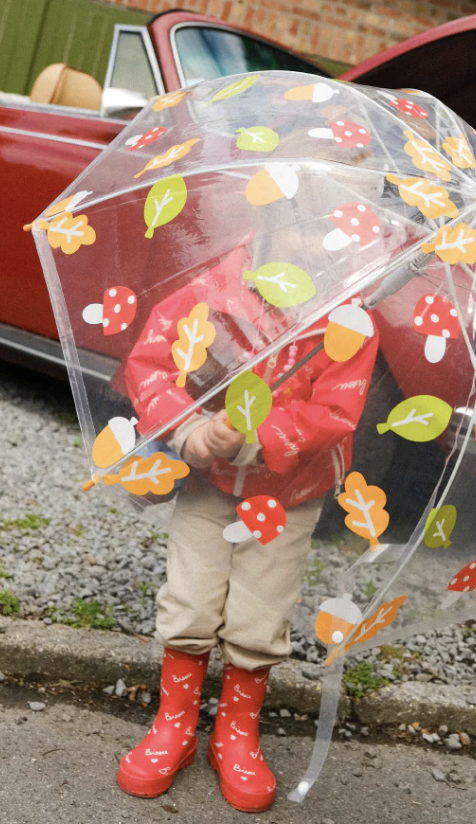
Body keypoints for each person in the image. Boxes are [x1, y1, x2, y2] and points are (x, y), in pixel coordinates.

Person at [114, 235, 379, 813]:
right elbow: (153, 363)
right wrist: (191, 430)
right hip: (208, 488)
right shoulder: (212, 293)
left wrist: (258, 437)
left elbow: (336, 411)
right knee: (190, 594)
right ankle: (175, 723)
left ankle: (236, 733)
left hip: (288, 494)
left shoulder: (348, 317)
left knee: (261, 609)